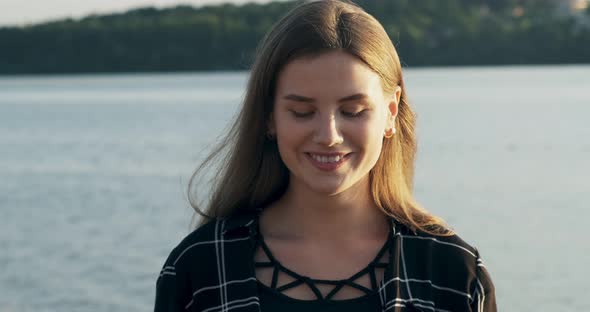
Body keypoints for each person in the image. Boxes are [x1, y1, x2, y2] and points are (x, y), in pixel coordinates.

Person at [154, 0, 496, 311]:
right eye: (302, 112)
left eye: (353, 110)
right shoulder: (199, 270)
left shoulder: (452, 273)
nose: (329, 136)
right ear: (269, 117)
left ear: (390, 113)